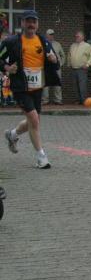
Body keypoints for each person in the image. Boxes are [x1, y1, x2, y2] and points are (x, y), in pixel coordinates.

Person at [0, 10, 60, 168]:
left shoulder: (43, 41)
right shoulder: (12, 41)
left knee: (34, 120)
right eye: (28, 21)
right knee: (33, 119)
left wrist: (54, 60)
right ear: (22, 23)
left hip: (38, 87)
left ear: (37, 24)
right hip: (20, 87)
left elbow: (56, 62)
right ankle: (41, 157)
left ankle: (12, 134)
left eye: (34, 21)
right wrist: (7, 67)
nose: (31, 24)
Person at [68, 30, 91, 104]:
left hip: (82, 69)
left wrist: (87, 64)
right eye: (76, 36)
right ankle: (78, 100)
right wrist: (69, 64)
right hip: (73, 68)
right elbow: (69, 55)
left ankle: (84, 100)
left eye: (78, 36)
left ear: (82, 37)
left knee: (82, 86)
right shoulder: (72, 45)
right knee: (75, 86)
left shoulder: (87, 46)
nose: (76, 37)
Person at [42, 29, 66, 104]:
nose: (51, 36)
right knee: (45, 85)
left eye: (52, 35)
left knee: (57, 84)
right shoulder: (42, 44)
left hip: (56, 68)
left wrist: (60, 64)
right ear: (46, 35)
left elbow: (63, 55)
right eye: (50, 35)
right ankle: (45, 100)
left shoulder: (57, 44)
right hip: (46, 68)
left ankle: (58, 100)